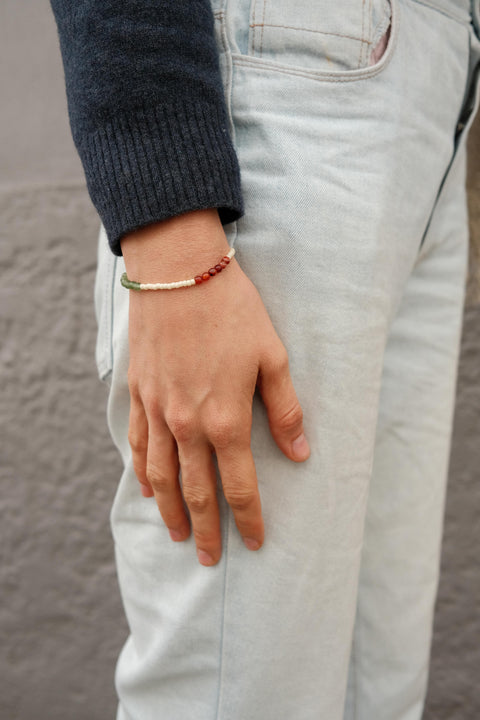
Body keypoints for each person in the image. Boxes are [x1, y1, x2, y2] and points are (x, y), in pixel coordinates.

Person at [50, 1, 480, 718]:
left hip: (439, 93)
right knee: (236, 697)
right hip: (284, 70)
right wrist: (168, 214)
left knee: (379, 693)